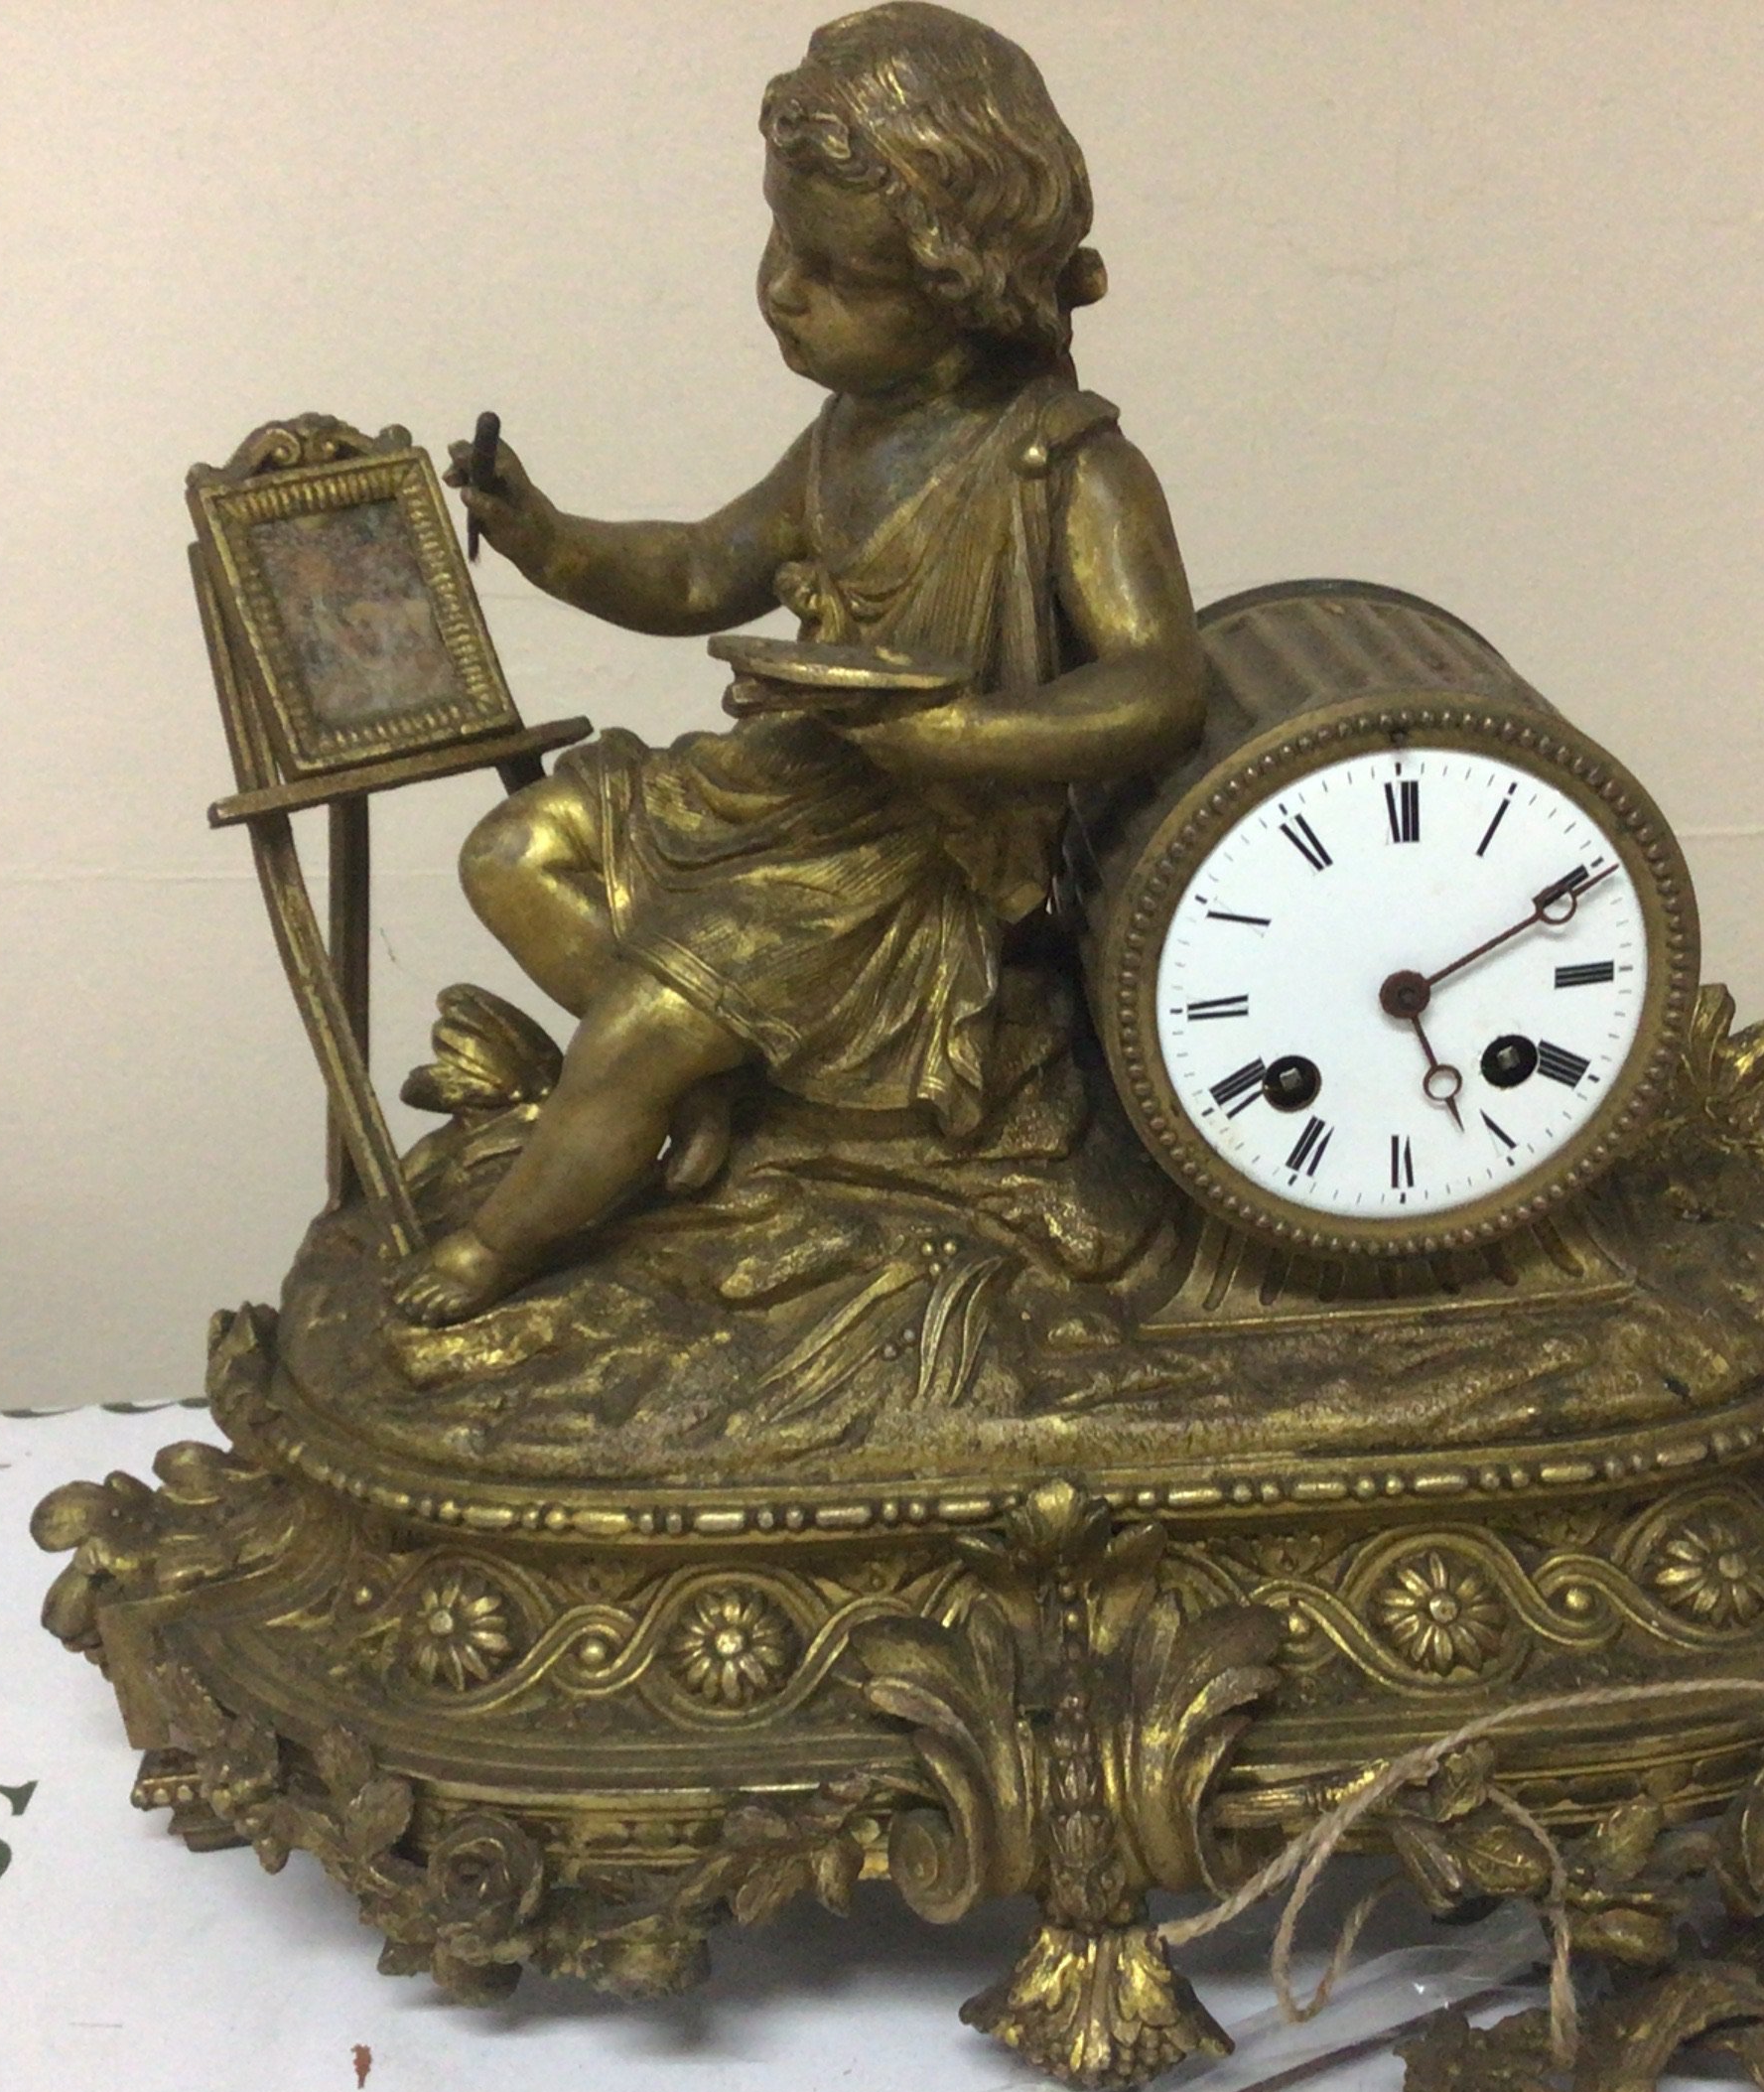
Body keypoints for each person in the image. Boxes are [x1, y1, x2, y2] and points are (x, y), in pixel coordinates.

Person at [399, 2, 1204, 1325]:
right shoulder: (845, 433)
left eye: (841, 277)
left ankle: (506, 1240)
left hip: (901, 858)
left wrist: (965, 742)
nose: (785, 288)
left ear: (967, 292)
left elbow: (1158, 684)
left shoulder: (1067, 468)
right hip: (782, 794)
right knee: (513, 854)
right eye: (781, 244)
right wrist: (547, 538)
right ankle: (711, 1081)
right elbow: (700, 572)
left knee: (648, 1020)